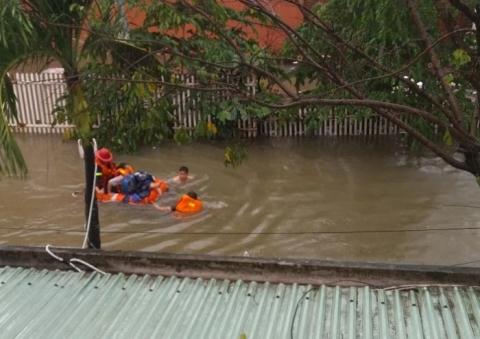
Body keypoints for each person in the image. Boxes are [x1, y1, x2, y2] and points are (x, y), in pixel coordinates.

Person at [100, 170, 169, 204]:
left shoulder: (122, 178)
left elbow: (110, 182)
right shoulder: (123, 178)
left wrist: (109, 193)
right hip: (133, 188)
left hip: (132, 188)